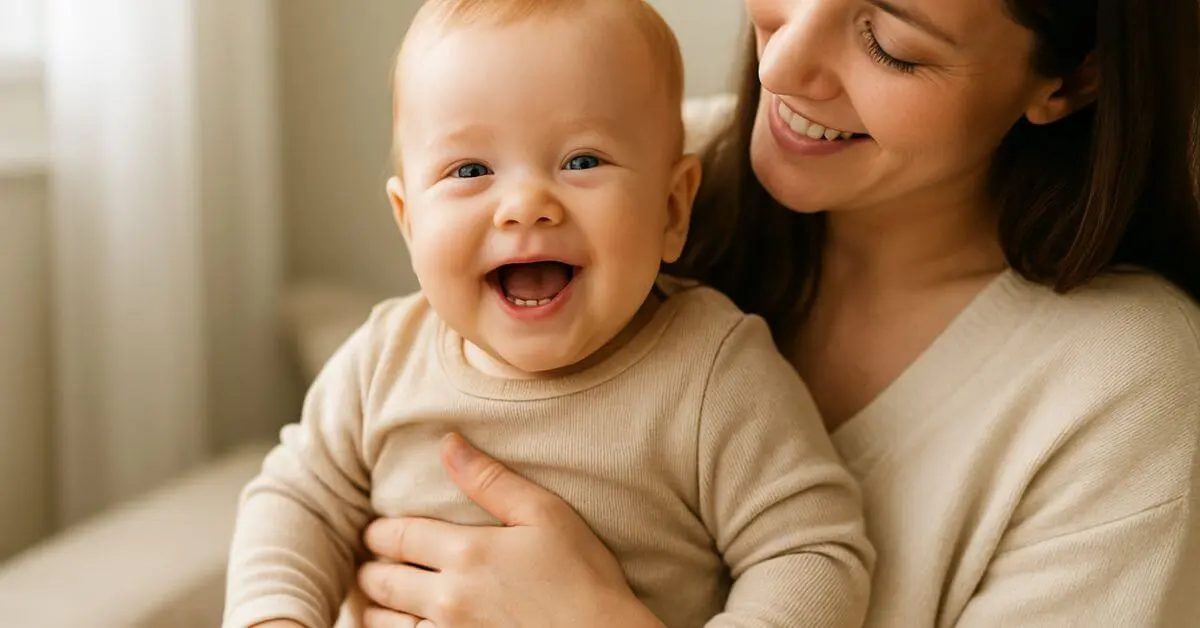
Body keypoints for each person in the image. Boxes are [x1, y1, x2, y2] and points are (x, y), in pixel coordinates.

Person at [354, 0, 1200, 626]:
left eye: (891, 43)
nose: (783, 65)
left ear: (1072, 77)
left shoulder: (1126, 385)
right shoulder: (620, 183)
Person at [222, 1, 875, 627]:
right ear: (409, 223)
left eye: (581, 161)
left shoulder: (713, 373)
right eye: (471, 168)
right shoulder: (383, 358)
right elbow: (297, 499)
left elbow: (812, 555)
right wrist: (274, 614)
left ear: (672, 209)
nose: (526, 204)